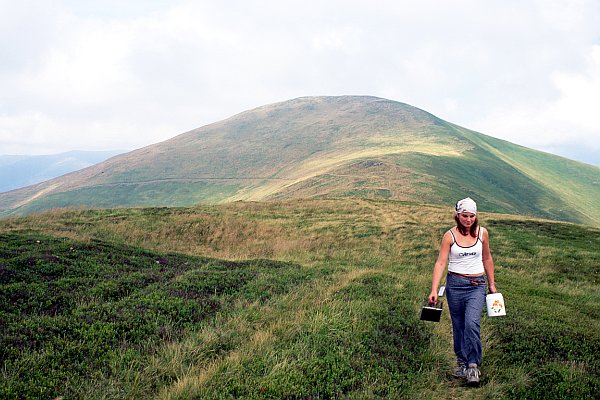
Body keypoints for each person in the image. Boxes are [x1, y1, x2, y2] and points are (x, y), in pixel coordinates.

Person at [428, 197, 496, 386]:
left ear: (476, 216)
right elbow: (441, 262)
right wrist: (434, 289)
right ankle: (462, 363)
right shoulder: (449, 236)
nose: (468, 219)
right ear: (457, 215)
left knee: (471, 323)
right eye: (464, 215)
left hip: (477, 285)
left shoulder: (483, 233)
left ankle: (473, 365)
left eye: (472, 216)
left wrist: (492, 284)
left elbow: (487, 258)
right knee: (458, 326)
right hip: (455, 285)